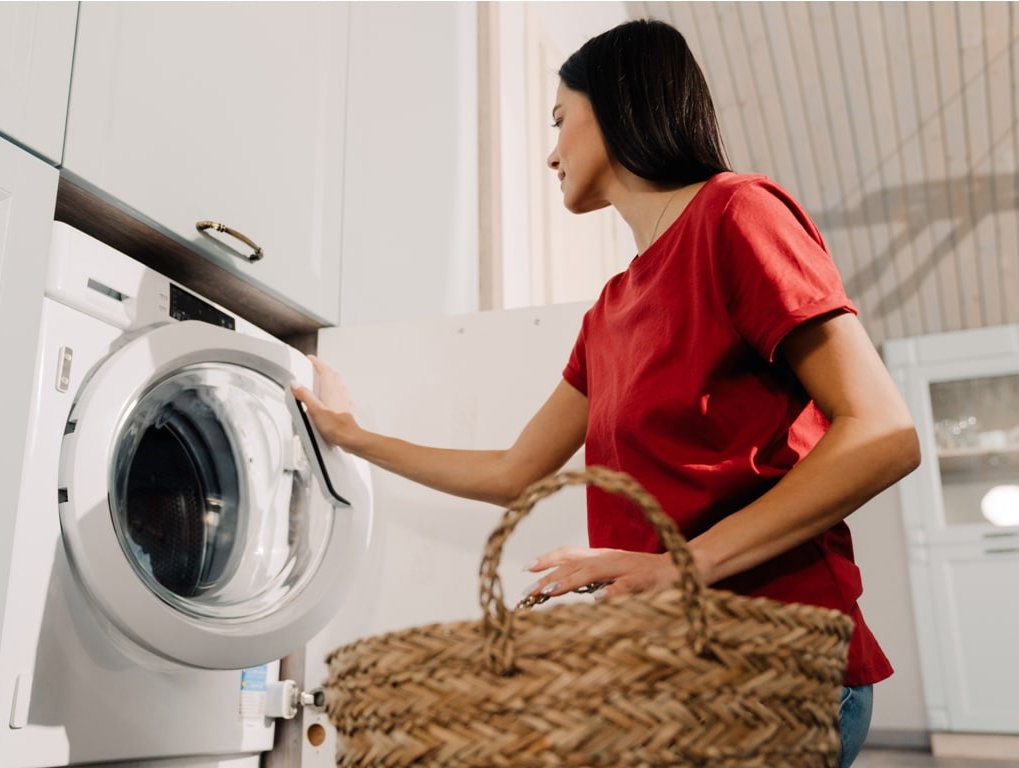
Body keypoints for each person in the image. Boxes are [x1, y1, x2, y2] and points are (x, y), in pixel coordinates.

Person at [292, 18, 920, 768]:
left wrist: (677, 566)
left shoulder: (736, 214)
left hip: (773, 672)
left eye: (560, 119)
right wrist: (355, 436)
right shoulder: (610, 308)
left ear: (617, 102)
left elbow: (881, 432)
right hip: (666, 679)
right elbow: (513, 474)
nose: (551, 151)